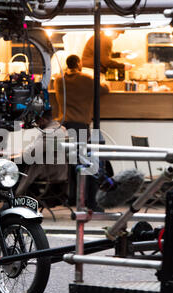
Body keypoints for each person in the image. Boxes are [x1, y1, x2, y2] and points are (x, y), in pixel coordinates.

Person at [54, 54, 110, 206]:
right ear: (78, 64)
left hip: (65, 125)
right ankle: (85, 198)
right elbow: (105, 89)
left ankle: (72, 196)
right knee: (84, 162)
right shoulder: (86, 79)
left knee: (71, 162)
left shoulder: (59, 80)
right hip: (80, 126)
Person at [16, 110, 68, 196]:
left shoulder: (49, 132)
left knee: (16, 166)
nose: (37, 124)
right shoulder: (61, 129)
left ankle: (15, 197)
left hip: (49, 172)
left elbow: (30, 154)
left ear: (43, 119)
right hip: (58, 171)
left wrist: (21, 153)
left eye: (37, 121)